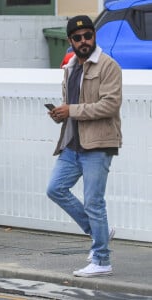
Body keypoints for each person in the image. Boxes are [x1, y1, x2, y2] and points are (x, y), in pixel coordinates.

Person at [46, 15, 122, 277]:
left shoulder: (108, 66)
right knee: (55, 189)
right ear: (70, 41)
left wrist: (72, 110)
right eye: (77, 38)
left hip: (99, 144)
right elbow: (72, 105)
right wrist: (60, 114)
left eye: (88, 35)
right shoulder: (69, 68)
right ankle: (97, 230)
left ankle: (102, 260)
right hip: (72, 144)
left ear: (94, 36)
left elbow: (110, 105)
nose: (84, 41)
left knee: (94, 202)